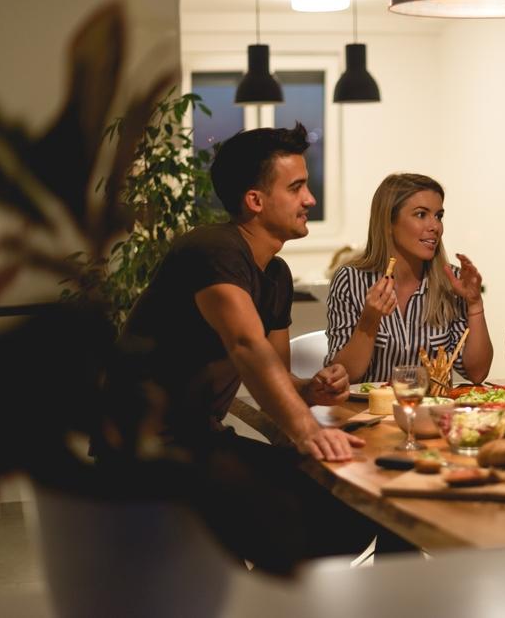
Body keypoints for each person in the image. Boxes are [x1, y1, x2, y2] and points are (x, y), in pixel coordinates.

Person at [121, 124, 379, 571]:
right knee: (316, 506)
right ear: (255, 201)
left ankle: (268, 592)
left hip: (201, 441)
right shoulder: (212, 248)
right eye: (297, 187)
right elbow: (245, 343)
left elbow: (277, 373)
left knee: (353, 503)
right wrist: (309, 432)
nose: (310, 200)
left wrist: (314, 390)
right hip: (146, 450)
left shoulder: (275, 276)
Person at [326, 173, 493, 384]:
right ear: (388, 223)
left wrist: (475, 304)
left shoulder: (451, 281)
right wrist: (369, 321)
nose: (435, 226)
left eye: (439, 216)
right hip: (368, 412)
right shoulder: (350, 280)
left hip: (432, 411)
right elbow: (343, 375)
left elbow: (477, 373)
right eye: (421, 215)